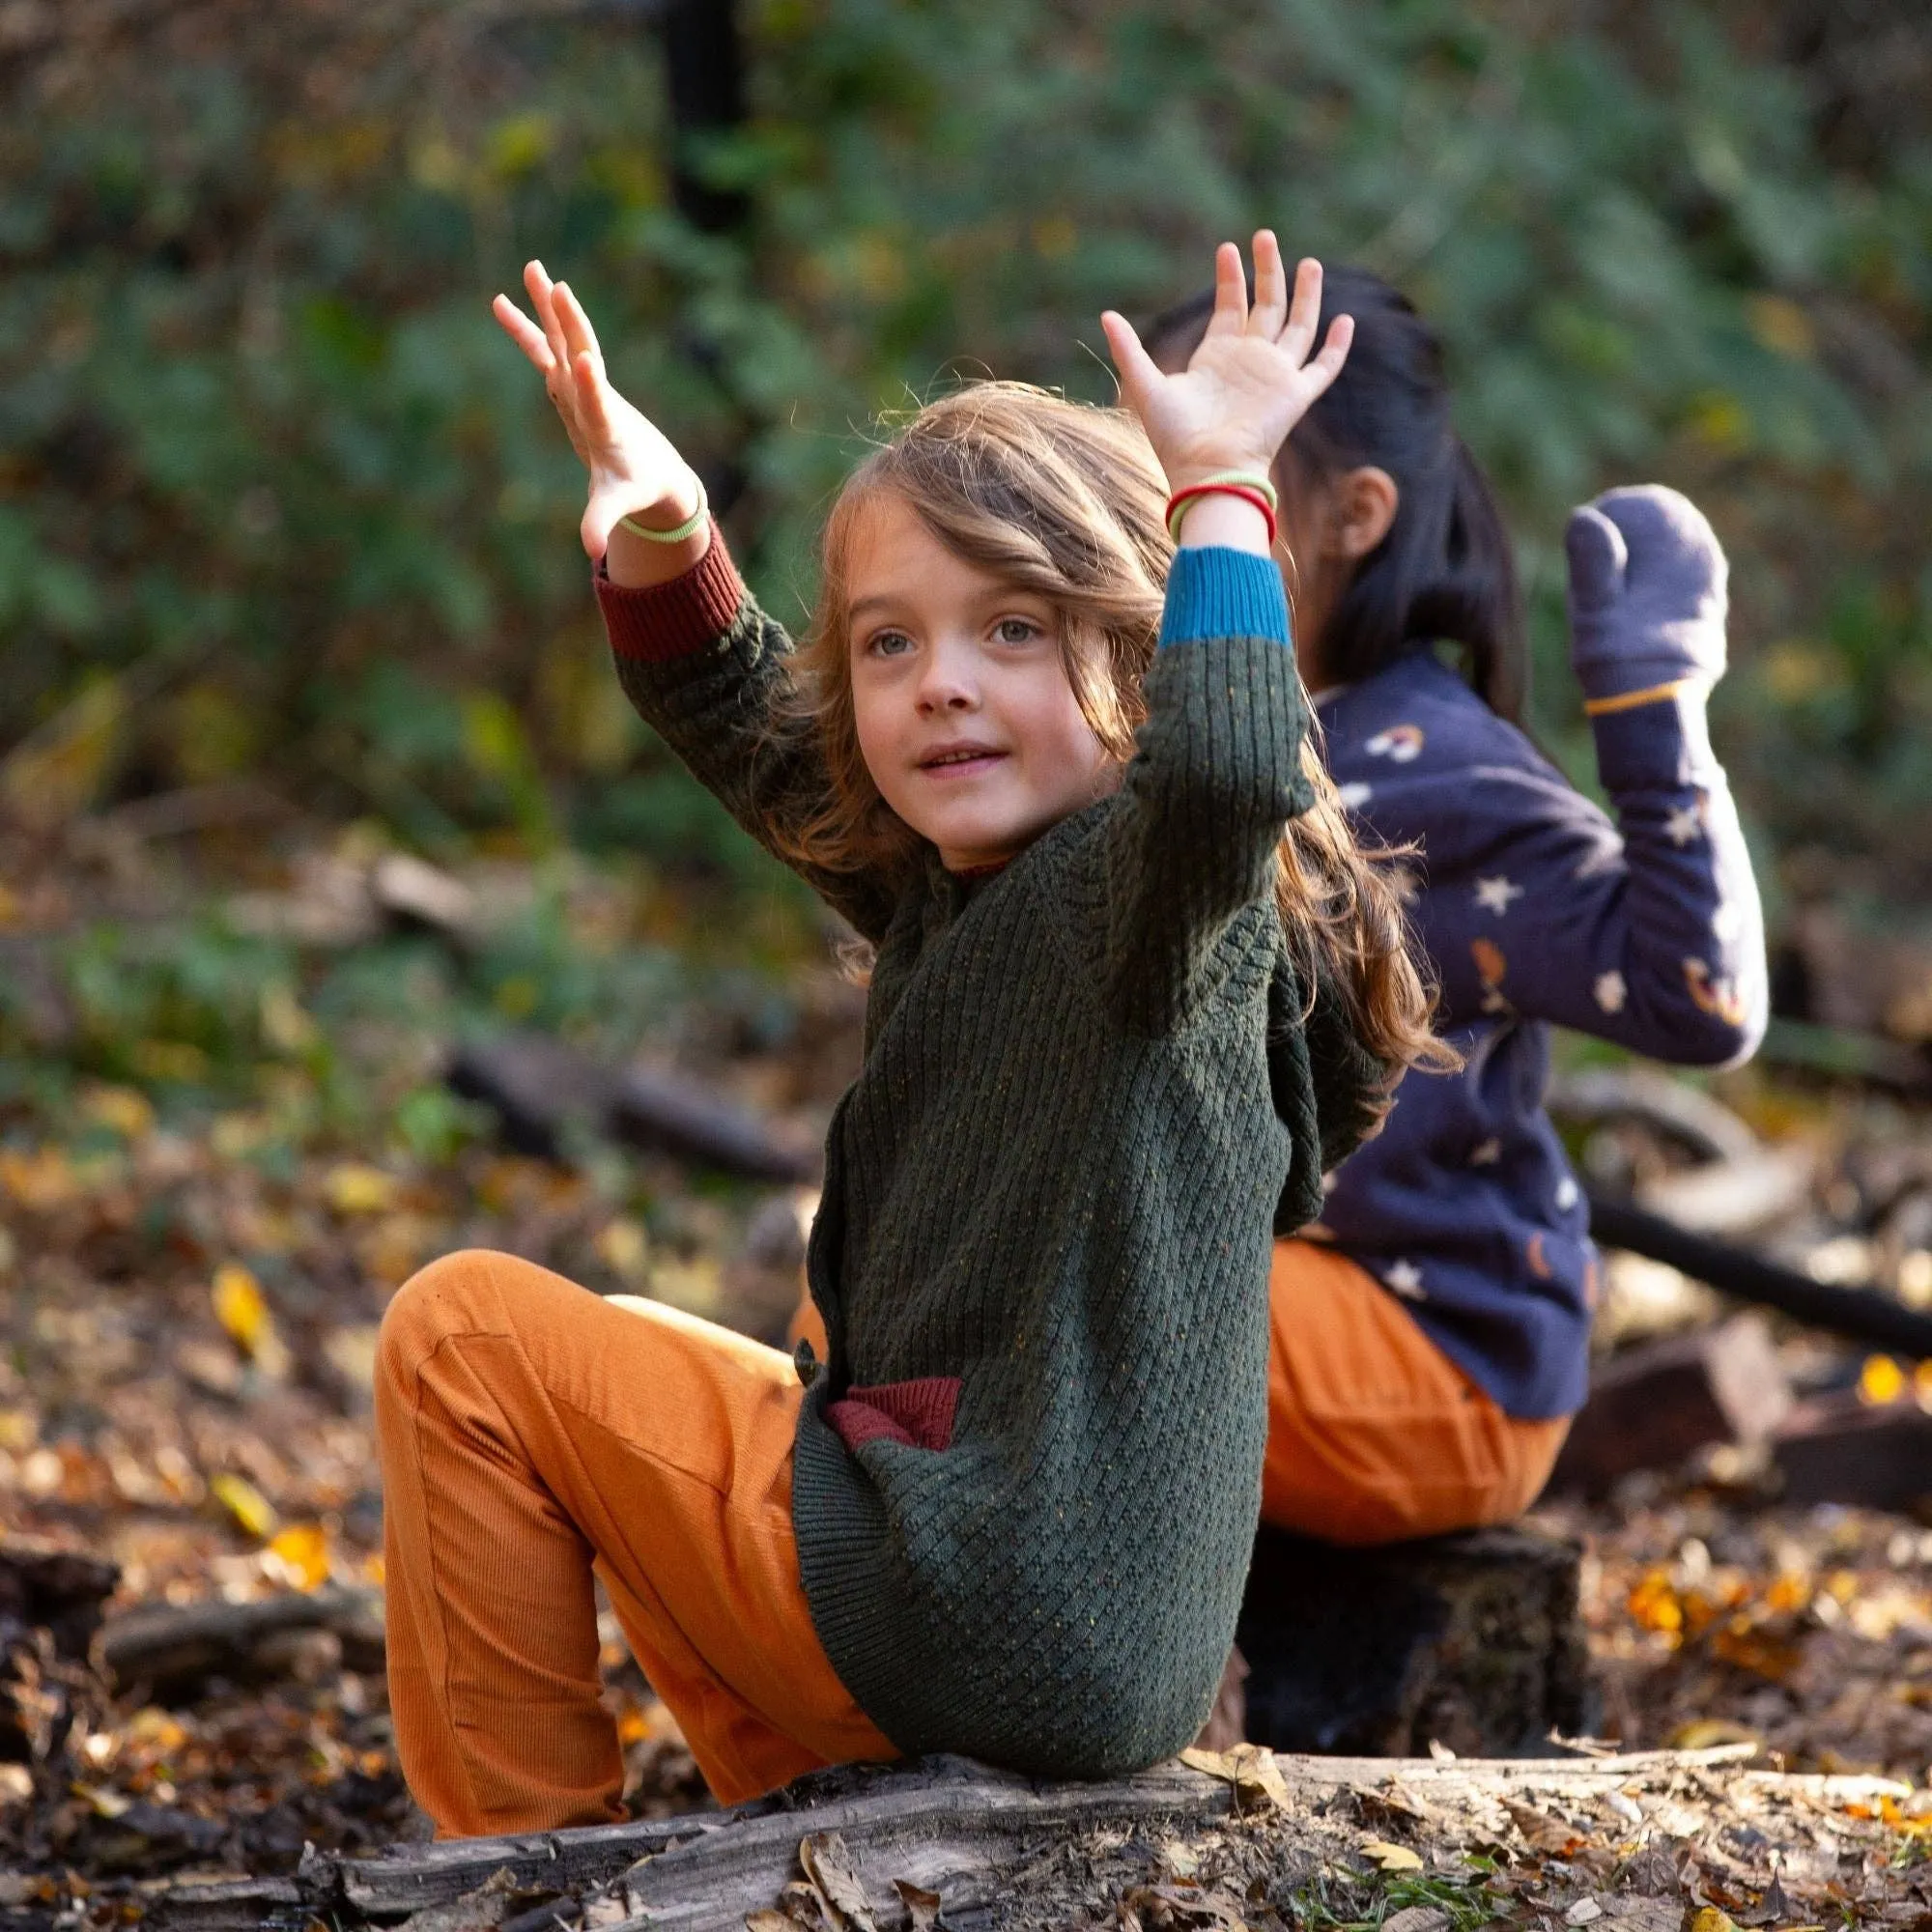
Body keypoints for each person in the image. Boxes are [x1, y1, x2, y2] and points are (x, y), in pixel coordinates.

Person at [373, 236, 1448, 1835]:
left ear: (1138, 658)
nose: (938, 685)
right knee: (698, 1384)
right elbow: (768, 752)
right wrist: (672, 535)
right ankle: (813, 1822)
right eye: (889, 641)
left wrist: (1223, 493)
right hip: (1035, 1621)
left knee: (465, 1339)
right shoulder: (986, 891)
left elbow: (1228, 778)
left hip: (991, 1600)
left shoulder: (1139, 916)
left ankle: (516, 1875)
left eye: (1011, 631)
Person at [1130, 265, 1768, 1547]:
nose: (1153, 499)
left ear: (1355, 513)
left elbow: (1695, 994)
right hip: (1228, 1300)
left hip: (1432, 1352)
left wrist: (1654, 722)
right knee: (868, 1311)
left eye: (1214, 457)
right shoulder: (1158, 741)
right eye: (1142, 449)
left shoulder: (1428, 776)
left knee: (1034, 1311)